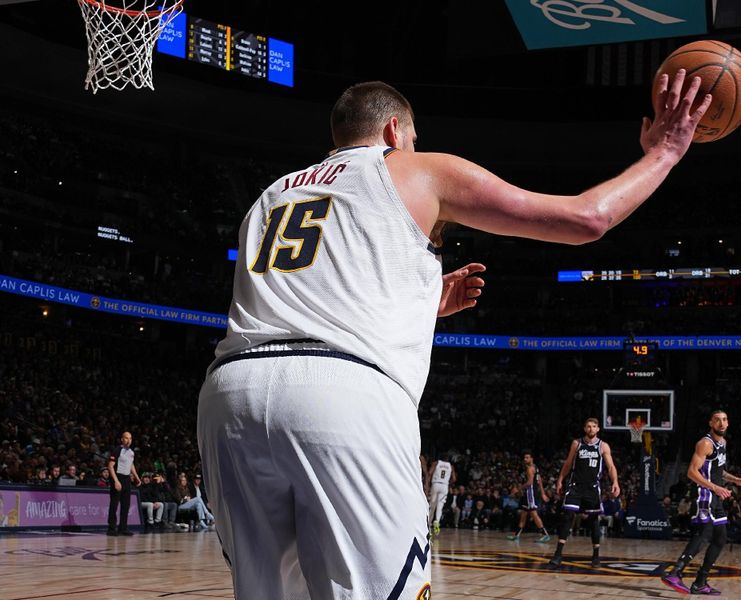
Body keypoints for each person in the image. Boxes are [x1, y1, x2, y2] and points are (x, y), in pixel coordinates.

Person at [197, 76, 710, 599]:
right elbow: (586, 219)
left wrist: (423, 299)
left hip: (230, 396)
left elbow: (312, 295)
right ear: (395, 130)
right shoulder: (412, 167)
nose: (415, 148)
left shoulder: (271, 195)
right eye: (414, 139)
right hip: (340, 396)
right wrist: (664, 154)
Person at [661, 410, 741, 595]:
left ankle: (700, 582)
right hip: (706, 495)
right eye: (717, 420)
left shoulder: (723, 443)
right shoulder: (705, 443)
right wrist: (714, 488)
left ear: (728, 423)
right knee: (704, 534)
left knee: (720, 539)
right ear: (711, 423)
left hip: (716, 496)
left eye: (725, 420)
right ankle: (675, 572)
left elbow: (718, 471)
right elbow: (692, 472)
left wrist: (736, 480)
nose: (721, 423)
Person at [549, 417, 619, 568]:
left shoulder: (603, 446)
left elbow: (611, 467)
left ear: (598, 429)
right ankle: (558, 554)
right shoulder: (577, 443)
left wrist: (615, 482)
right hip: (575, 486)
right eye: (588, 426)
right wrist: (560, 479)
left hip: (592, 488)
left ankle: (596, 556)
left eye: (594, 426)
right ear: (584, 428)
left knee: (593, 521)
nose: (591, 429)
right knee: (567, 516)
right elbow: (568, 463)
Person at [507, 451, 550, 542]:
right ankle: (517, 535)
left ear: (531, 458)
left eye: (527, 457)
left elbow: (530, 483)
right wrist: (542, 493)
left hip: (530, 494)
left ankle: (545, 534)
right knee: (524, 514)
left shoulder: (530, 469)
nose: (525, 459)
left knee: (533, 514)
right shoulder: (535, 467)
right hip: (530, 493)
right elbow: (540, 481)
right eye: (524, 457)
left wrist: (517, 489)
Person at [107, 431, 141, 536]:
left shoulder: (131, 452)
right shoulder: (117, 450)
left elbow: (131, 465)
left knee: (126, 505)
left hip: (127, 479)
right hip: (118, 477)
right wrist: (116, 481)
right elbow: (110, 466)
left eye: (130, 438)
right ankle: (112, 529)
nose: (128, 440)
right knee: (114, 504)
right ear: (122, 439)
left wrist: (137, 477)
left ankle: (123, 528)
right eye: (126, 438)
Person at [425, 452, 455, 535]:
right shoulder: (451, 466)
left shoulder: (436, 463)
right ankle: (437, 521)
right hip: (444, 486)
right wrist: (449, 482)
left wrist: (428, 484)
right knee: (440, 506)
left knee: (432, 505)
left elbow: (430, 473)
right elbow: (454, 479)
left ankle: (429, 523)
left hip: (436, 484)